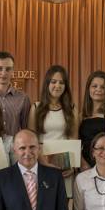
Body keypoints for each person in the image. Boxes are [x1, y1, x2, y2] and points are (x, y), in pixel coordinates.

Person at [29, 65, 79, 193]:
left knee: (64, 200)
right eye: (53, 82)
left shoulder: (72, 109)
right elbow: (32, 140)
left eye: (61, 82)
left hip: (65, 165)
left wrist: (72, 166)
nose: (57, 86)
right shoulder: (36, 107)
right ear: (47, 84)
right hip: (41, 162)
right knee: (44, 199)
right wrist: (43, 161)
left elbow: (73, 139)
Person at [78, 70, 105, 169]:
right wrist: (83, 164)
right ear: (88, 89)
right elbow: (76, 144)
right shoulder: (82, 115)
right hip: (86, 164)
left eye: (103, 87)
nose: (98, 89)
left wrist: (100, 168)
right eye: (94, 86)